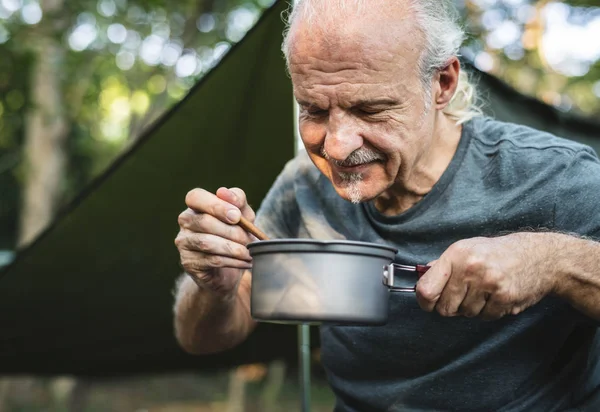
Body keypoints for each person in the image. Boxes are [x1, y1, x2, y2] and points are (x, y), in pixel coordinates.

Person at [173, 0, 600, 410]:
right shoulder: (303, 185)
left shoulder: (554, 176)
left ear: (442, 83)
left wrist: (553, 261)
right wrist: (215, 287)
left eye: (371, 109)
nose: (337, 147)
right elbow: (201, 338)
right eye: (314, 110)